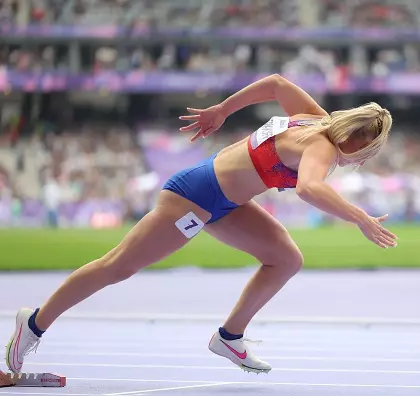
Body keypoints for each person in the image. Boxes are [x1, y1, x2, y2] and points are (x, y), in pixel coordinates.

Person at [5, 74, 397, 375]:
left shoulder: (315, 119)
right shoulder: (322, 146)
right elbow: (309, 188)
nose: (361, 162)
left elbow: (277, 84)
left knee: (286, 258)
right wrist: (360, 218)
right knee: (118, 267)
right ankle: (35, 322)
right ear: (358, 142)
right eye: (366, 154)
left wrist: (224, 109)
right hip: (195, 196)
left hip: (226, 203)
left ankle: (230, 338)